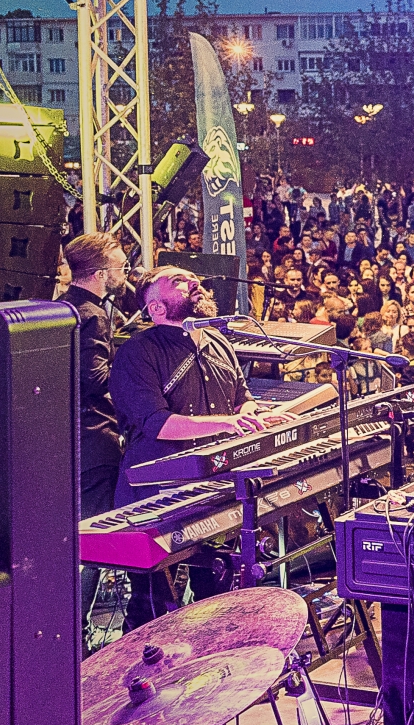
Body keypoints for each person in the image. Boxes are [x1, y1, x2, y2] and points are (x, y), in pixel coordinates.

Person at [109, 267, 295, 625]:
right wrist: (228, 423)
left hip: (213, 486)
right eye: (178, 281)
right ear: (156, 309)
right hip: (157, 495)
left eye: (192, 277)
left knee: (216, 599)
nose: (194, 281)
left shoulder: (217, 341)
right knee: (154, 607)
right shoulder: (137, 352)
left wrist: (255, 415)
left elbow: (241, 399)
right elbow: (158, 424)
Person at [61, 232, 129, 620]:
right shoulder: (94, 315)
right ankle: (75, 630)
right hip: (95, 440)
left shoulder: (61, 306)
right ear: (101, 273)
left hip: (69, 438)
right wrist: (134, 371)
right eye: (120, 266)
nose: (125, 272)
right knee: (92, 539)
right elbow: (95, 378)